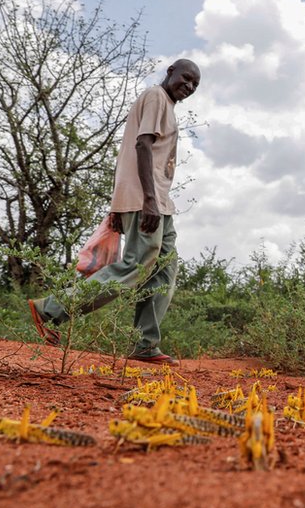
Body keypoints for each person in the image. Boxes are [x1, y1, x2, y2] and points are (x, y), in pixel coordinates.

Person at [28, 59, 201, 366]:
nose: (188, 87)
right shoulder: (155, 96)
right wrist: (146, 199)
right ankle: (51, 309)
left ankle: (145, 344)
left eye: (194, 85)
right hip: (145, 199)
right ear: (170, 71)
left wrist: (146, 200)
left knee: (164, 270)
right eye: (185, 78)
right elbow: (142, 145)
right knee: (136, 265)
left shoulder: (167, 105)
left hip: (159, 201)